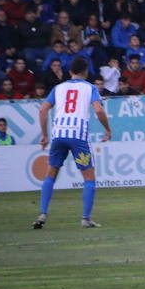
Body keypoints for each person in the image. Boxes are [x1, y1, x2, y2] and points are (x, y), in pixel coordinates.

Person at [32, 57, 112, 229]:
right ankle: (86, 218)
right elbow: (98, 109)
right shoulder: (90, 88)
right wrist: (108, 130)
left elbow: (43, 109)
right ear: (86, 72)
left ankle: (42, 213)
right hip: (78, 137)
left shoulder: (58, 88)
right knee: (89, 178)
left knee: (50, 173)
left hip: (59, 135)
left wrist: (44, 134)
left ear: (70, 72)